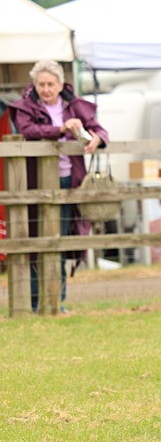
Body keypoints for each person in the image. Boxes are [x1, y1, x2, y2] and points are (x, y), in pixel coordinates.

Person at [8, 60, 107, 312]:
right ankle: (33, 302)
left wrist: (95, 137)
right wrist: (61, 128)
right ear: (35, 85)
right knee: (34, 242)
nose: (46, 89)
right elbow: (28, 130)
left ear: (60, 85)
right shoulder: (25, 107)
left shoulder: (74, 106)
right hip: (34, 182)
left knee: (59, 241)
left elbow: (100, 130)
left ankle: (56, 302)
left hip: (68, 180)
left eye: (50, 84)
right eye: (41, 84)